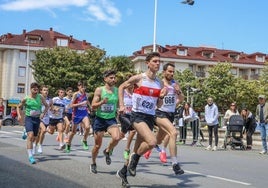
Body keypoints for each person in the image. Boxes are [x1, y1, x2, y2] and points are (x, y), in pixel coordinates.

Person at [118, 52, 169, 177]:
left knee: (137, 148)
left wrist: (162, 97)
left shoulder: (159, 83)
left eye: (159, 61)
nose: (158, 63)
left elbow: (159, 105)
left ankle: (123, 172)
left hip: (150, 117)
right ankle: (135, 159)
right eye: (155, 61)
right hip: (137, 116)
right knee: (152, 142)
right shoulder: (139, 78)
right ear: (148, 63)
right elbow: (121, 87)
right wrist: (121, 105)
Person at [143, 63, 185, 175]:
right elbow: (152, 98)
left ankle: (147, 149)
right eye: (169, 71)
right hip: (159, 112)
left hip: (170, 114)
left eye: (173, 72)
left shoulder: (175, 84)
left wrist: (178, 92)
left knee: (158, 139)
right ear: (164, 72)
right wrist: (161, 96)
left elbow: (181, 98)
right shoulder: (159, 83)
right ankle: (175, 164)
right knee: (173, 132)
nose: (171, 73)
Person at [90, 70, 121, 174]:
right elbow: (93, 105)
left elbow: (119, 104)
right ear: (105, 79)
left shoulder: (117, 90)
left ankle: (107, 150)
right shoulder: (99, 90)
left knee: (117, 137)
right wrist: (102, 102)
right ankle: (93, 163)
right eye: (111, 78)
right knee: (97, 145)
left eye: (114, 77)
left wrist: (121, 109)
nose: (113, 79)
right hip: (99, 119)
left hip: (111, 119)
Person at [16, 82, 49, 164]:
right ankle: (30, 156)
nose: (36, 91)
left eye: (37, 89)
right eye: (34, 89)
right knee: (30, 136)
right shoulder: (26, 98)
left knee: (34, 137)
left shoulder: (40, 97)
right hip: (29, 118)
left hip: (37, 119)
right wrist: (19, 115)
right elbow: (18, 107)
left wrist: (43, 113)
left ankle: (25, 130)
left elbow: (47, 105)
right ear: (31, 89)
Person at [116, 75, 136, 186]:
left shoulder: (135, 94)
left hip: (132, 117)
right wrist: (120, 106)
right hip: (124, 116)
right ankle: (127, 148)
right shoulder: (122, 92)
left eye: (132, 84)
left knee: (121, 135)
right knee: (132, 130)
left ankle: (125, 148)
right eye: (129, 83)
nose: (131, 85)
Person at [66, 81, 91, 153]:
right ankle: (68, 144)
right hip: (76, 115)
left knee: (87, 127)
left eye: (84, 87)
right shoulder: (76, 94)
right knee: (73, 132)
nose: (83, 88)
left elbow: (87, 101)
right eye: (81, 86)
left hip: (84, 113)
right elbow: (71, 105)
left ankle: (84, 140)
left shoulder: (86, 94)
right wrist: (80, 104)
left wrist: (90, 107)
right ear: (78, 87)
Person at [34, 85, 52, 154]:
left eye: (47, 90)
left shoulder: (50, 100)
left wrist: (54, 110)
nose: (46, 91)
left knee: (41, 133)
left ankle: (36, 144)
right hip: (38, 117)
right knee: (43, 130)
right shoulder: (37, 98)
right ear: (41, 91)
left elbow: (51, 108)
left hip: (46, 118)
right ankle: (39, 145)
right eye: (44, 90)